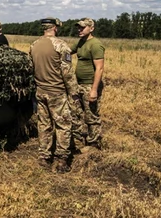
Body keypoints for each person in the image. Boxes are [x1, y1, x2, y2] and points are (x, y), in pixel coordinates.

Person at [29, 17, 78, 173]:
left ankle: (44, 157)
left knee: (44, 125)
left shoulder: (34, 45)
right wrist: (73, 93)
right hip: (56, 93)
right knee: (63, 126)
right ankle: (61, 160)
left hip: (40, 92)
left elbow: (31, 68)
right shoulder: (61, 46)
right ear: (55, 28)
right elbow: (67, 73)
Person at [71, 17, 105, 151]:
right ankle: (79, 142)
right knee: (76, 113)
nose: (79, 29)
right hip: (78, 84)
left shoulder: (95, 45)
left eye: (82, 27)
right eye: (78, 27)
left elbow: (99, 68)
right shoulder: (81, 42)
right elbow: (67, 51)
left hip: (90, 85)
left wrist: (94, 90)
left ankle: (93, 146)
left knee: (91, 115)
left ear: (91, 28)